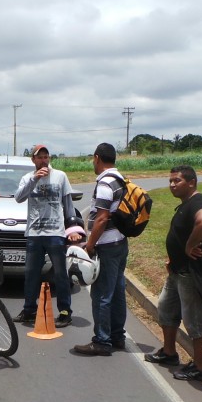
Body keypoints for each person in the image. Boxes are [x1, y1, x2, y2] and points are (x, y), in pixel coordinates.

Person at [144, 165, 202, 381]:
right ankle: (169, 352)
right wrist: (174, 256)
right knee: (166, 309)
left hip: (189, 274)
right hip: (176, 271)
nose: (172, 185)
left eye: (177, 181)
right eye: (171, 181)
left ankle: (200, 367)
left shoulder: (198, 202)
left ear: (191, 182)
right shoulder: (186, 203)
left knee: (194, 321)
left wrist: (189, 245)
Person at [13, 144, 80, 327]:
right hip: (34, 233)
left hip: (55, 233)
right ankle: (29, 310)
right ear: (33, 160)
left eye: (46, 157)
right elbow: (18, 198)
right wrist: (34, 179)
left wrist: (72, 228)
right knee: (31, 274)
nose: (43, 160)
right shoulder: (27, 178)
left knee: (60, 273)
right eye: (39, 157)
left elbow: (68, 204)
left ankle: (65, 312)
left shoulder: (60, 176)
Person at [74, 143, 129, 356]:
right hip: (120, 243)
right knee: (116, 292)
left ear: (97, 158)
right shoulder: (120, 180)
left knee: (101, 295)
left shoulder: (105, 183)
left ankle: (102, 341)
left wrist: (90, 245)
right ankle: (117, 336)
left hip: (107, 245)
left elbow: (102, 218)